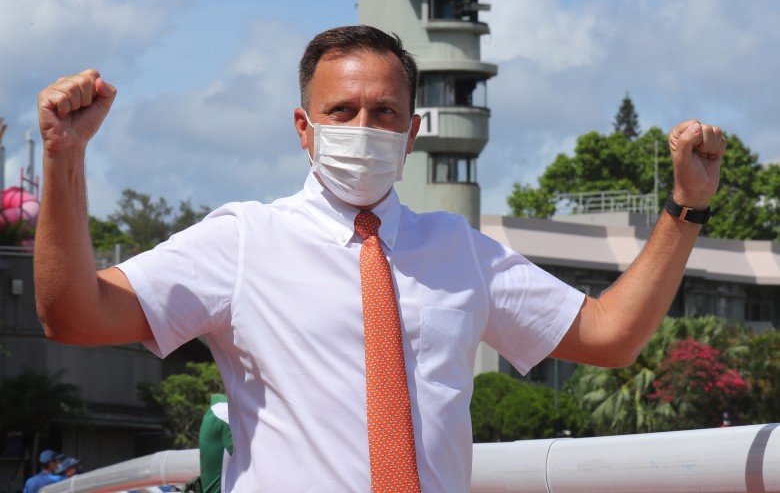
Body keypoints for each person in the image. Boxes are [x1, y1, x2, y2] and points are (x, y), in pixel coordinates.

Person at [34, 25, 726, 492]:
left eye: (386, 112)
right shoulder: (243, 240)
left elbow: (609, 335)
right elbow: (74, 315)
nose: (365, 128)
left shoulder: (458, 250)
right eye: (342, 111)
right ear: (304, 129)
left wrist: (684, 207)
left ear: (413, 132)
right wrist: (65, 161)